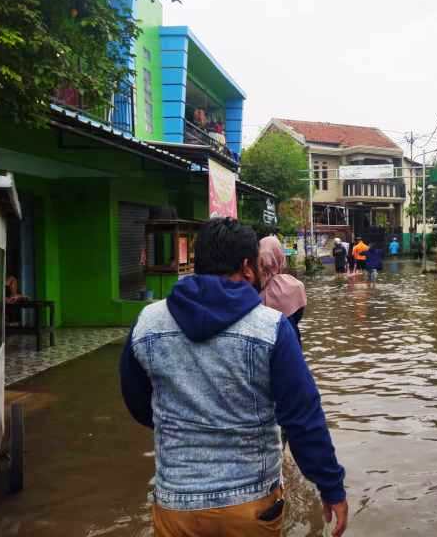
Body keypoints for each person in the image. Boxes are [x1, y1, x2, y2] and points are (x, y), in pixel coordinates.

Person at [120, 218, 348, 537]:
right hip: (250, 503)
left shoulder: (147, 322)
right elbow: (302, 416)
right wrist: (331, 486)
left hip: (176, 503)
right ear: (247, 267)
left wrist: (180, 423)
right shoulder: (272, 327)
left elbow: (139, 403)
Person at [259, 235, 307, 343]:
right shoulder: (295, 285)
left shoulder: (252, 289)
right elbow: (298, 314)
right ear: (280, 255)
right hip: (291, 344)